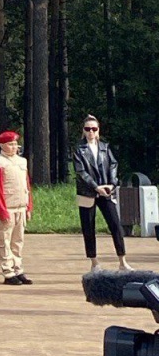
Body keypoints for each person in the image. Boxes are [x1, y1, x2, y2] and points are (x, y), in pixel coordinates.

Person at [73, 116, 131, 272]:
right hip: (87, 193)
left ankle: (122, 261)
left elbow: (113, 164)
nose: (91, 132)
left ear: (98, 130)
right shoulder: (79, 149)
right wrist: (95, 187)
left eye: (94, 129)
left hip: (106, 191)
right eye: (87, 129)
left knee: (116, 225)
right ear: (83, 131)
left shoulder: (105, 147)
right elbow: (81, 172)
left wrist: (112, 183)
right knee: (88, 227)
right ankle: (94, 262)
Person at [0, 130, 33, 285]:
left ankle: (18, 268)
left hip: (21, 206)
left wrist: (29, 206)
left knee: (18, 241)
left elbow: (26, 184)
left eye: (16, 144)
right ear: (2, 145)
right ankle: (8, 271)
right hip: (8, 207)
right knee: (5, 241)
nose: (14, 147)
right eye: (10, 144)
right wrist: (1, 210)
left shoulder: (22, 161)